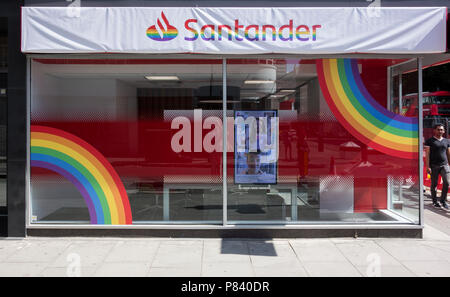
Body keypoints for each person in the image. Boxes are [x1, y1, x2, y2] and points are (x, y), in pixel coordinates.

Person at [425, 123, 450, 209]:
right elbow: (427, 154)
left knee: (447, 183)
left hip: (445, 165)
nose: (440, 131)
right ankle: (435, 201)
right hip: (434, 165)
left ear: (444, 131)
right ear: (434, 130)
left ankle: (443, 201)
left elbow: (448, 153)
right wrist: (427, 166)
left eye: (442, 130)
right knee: (434, 184)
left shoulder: (447, 141)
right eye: (438, 129)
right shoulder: (429, 141)